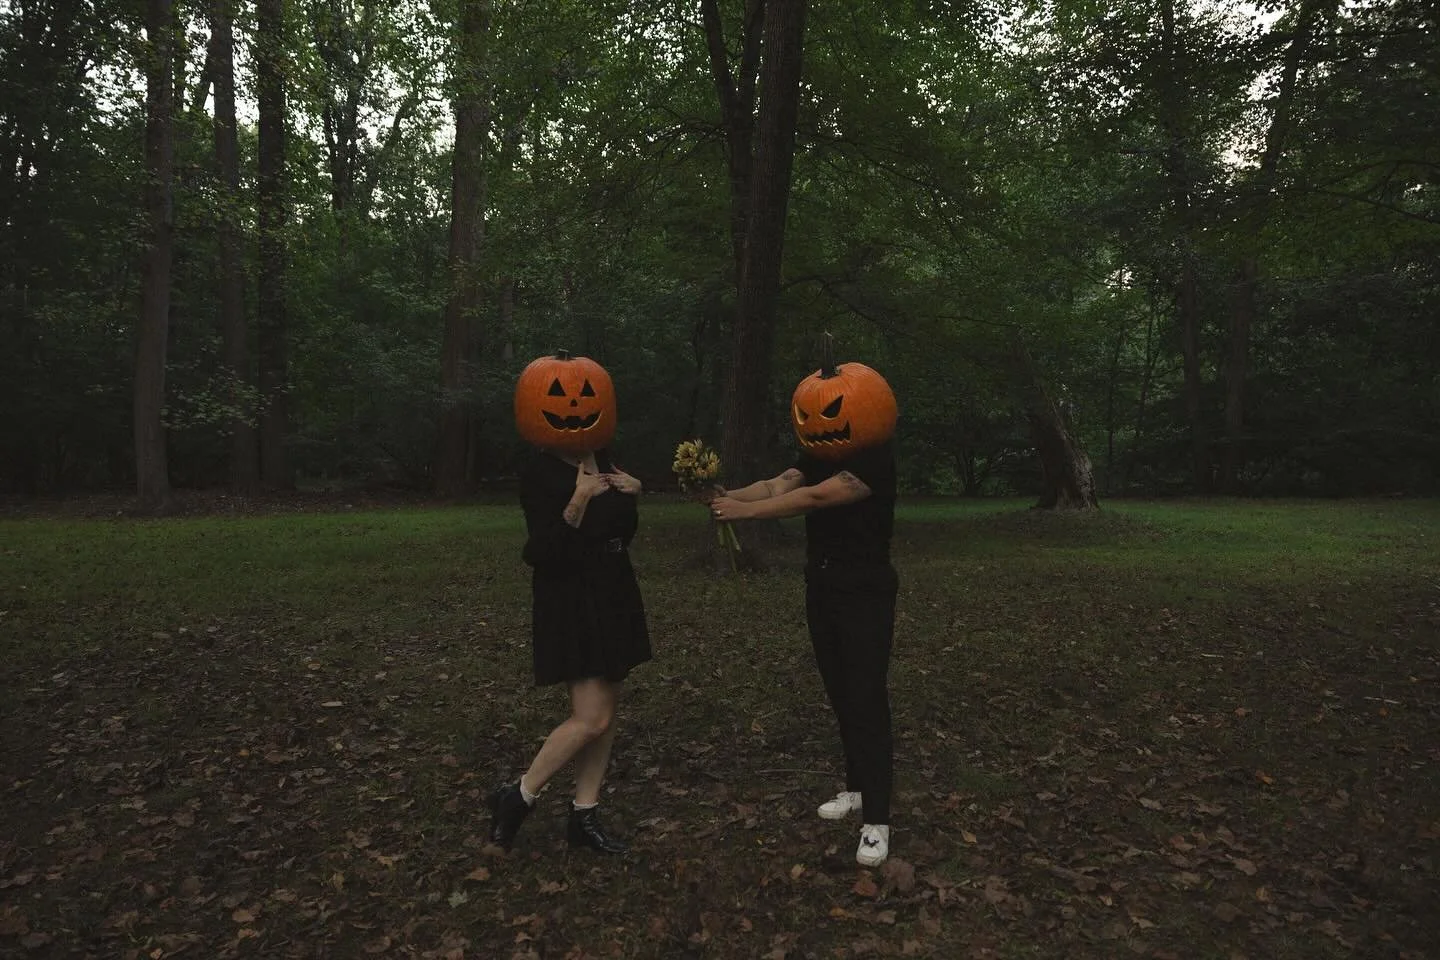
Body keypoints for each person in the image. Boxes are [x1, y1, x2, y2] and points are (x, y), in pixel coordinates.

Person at [709, 358, 899, 867]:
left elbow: (814, 498)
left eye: (831, 411)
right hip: (822, 584)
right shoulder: (816, 454)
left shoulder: (874, 459)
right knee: (840, 691)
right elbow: (778, 486)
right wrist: (726, 496)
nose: (818, 422)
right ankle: (856, 789)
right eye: (809, 413)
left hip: (865, 589)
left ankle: (877, 819)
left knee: (866, 696)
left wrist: (745, 514)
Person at [490, 354, 651, 855]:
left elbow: (621, 530)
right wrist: (578, 500)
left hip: (613, 589)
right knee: (591, 718)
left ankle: (584, 813)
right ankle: (518, 794)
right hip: (570, 596)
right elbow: (542, 552)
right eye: (562, 396)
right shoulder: (538, 473)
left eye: (587, 396)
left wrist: (632, 493)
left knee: (608, 709)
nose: (577, 407)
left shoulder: (606, 456)